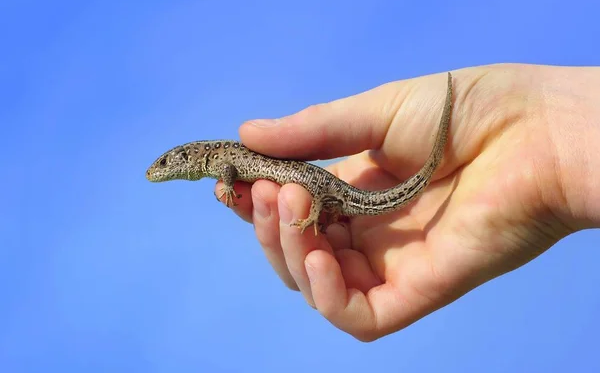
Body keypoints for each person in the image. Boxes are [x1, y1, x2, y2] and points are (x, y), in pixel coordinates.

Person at [216, 63, 599, 341]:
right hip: (331, 191)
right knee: (305, 209)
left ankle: (319, 213)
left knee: (308, 204)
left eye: (166, 163)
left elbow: (238, 174)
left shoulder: (222, 160)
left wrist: (551, 130)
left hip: (327, 190)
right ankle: (321, 211)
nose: (160, 170)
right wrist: (556, 161)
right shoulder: (219, 158)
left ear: (188, 158)